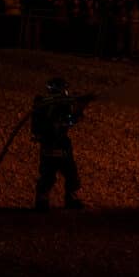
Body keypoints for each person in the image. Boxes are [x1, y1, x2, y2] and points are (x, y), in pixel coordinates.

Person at [30, 77, 95, 212]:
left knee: (68, 173)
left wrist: (81, 105)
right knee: (51, 175)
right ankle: (44, 200)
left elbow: (71, 120)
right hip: (52, 143)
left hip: (56, 143)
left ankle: (67, 200)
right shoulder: (44, 105)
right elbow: (68, 120)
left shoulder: (54, 105)